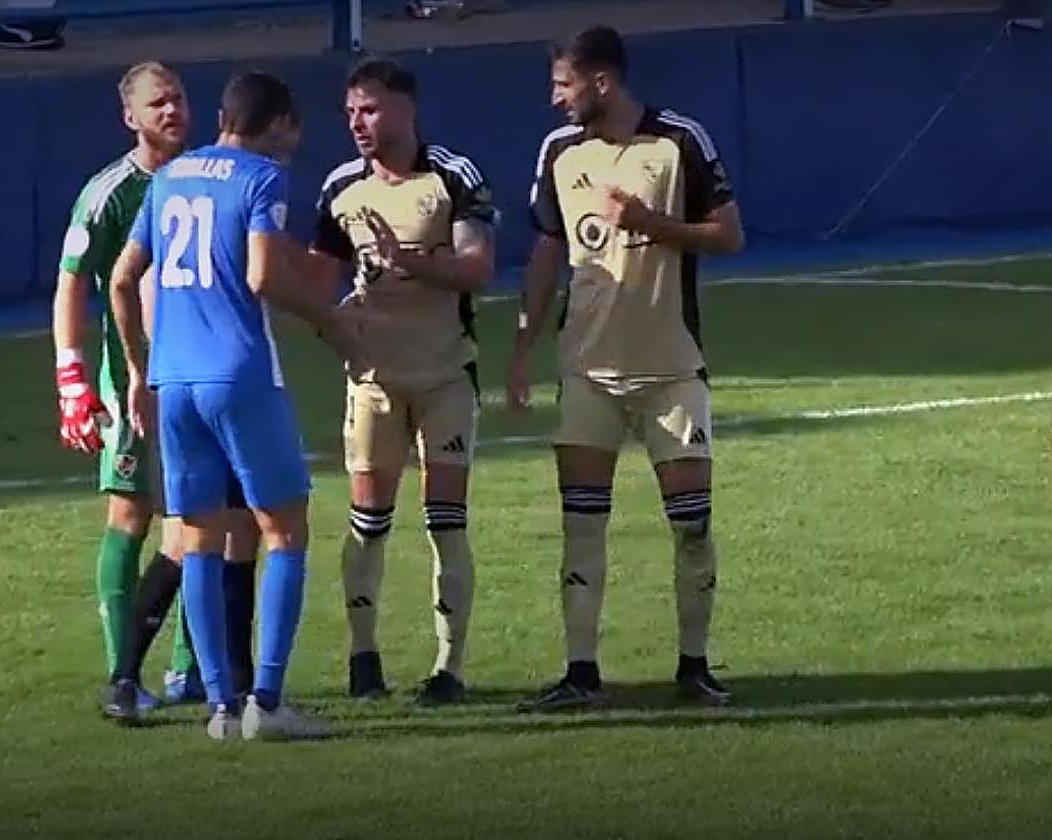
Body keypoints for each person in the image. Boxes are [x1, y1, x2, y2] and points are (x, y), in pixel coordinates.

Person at [109, 69, 358, 741]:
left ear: (222, 115)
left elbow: (123, 277)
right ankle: (267, 702)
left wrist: (138, 365)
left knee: (197, 538)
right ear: (277, 123)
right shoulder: (262, 178)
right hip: (238, 374)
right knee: (284, 528)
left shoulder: (168, 178)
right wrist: (333, 322)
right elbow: (262, 276)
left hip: (174, 377)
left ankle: (221, 707)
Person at [506, 25, 746, 712]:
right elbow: (548, 251)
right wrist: (523, 345)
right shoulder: (560, 152)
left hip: (670, 367)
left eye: (564, 84)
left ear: (601, 82)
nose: (556, 99)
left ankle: (694, 668)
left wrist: (652, 222)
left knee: (692, 522)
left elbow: (729, 234)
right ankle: (580, 673)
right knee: (581, 523)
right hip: (588, 369)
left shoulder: (679, 141)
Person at [51, 61, 256, 721]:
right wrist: (72, 378)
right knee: (132, 517)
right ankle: (124, 675)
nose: (172, 111)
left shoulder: (199, 177)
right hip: (133, 382)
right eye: (157, 103)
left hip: (194, 375)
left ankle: (191, 669)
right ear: (130, 117)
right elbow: (74, 283)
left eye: (178, 99)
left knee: (209, 518)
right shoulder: (110, 192)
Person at [307, 57, 498, 706]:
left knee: (446, 522)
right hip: (375, 384)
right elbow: (316, 288)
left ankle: (450, 669)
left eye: (370, 108)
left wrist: (409, 262)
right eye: (351, 110)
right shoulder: (339, 189)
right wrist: (336, 326)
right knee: (367, 520)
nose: (358, 122)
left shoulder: (452, 177)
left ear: (406, 109)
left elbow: (477, 267)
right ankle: (364, 660)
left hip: (445, 374)